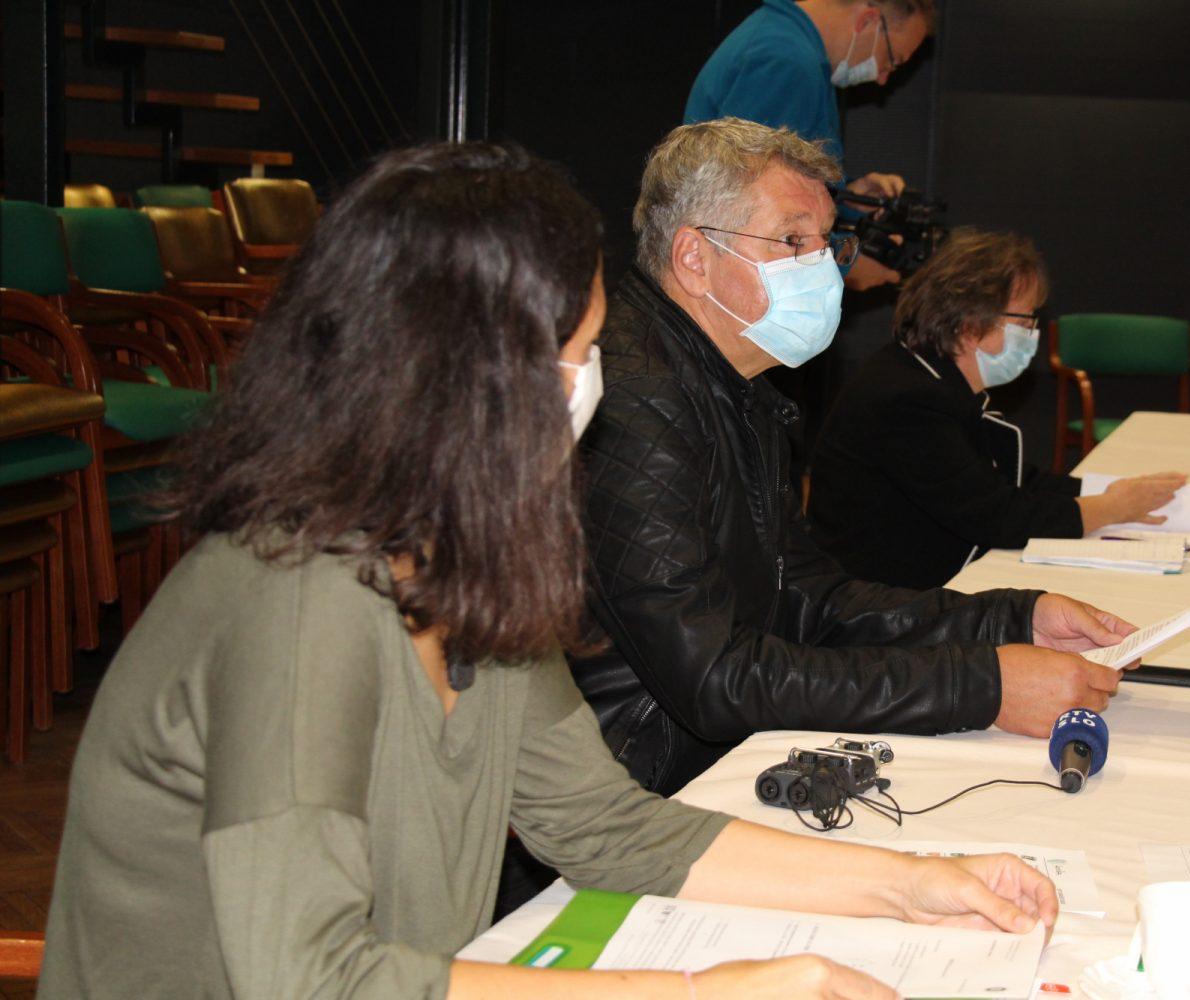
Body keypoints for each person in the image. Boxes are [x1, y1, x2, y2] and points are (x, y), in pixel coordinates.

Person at [38, 142, 1059, 1000]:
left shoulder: (468, 556)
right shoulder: (300, 593)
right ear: (458, 373)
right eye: (578, 351)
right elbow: (310, 979)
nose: (592, 385)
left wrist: (910, 884)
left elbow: (602, 822)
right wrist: (704, 992)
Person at [571, 118, 1138, 800]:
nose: (822, 266)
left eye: (825, 242)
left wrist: (1012, 620)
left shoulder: (734, 382)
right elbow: (714, 679)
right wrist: (983, 686)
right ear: (694, 257)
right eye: (792, 241)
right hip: (643, 784)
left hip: (712, 755)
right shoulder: (637, 401)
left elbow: (811, 600)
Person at [808, 229, 1187, 589]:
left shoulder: (930, 375)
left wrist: (1108, 491)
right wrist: (1107, 509)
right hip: (880, 599)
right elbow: (994, 516)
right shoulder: (908, 399)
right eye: (1025, 319)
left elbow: (1009, 479)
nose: (1033, 332)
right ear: (971, 326)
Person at [685, 0, 935, 293]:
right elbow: (752, 210)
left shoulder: (780, 40)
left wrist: (848, 197)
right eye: (892, 60)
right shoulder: (788, 63)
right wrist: (843, 264)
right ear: (867, 21)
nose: (882, 78)